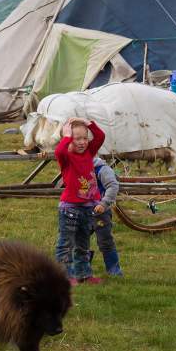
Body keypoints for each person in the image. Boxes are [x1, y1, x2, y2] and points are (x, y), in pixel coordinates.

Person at [54, 117, 105, 285]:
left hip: (87, 207)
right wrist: (67, 136)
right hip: (70, 208)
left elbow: (100, 136)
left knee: (83, 243)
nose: (82, 142)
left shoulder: (89, 152)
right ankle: (64, 276)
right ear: (69, 139)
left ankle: (83, 273)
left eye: (85, 138)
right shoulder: (67, 156)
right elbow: (59, 151)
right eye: (77, 139)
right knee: (66, 243)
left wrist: (88, 122)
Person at [91, 156, 123, 277]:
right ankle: (82, 267)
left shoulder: (102, 169)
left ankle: (113, 268)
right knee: (79, 240)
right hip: (82, 210)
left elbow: (113, 185)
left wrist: (104, 203)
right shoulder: (77, 167)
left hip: (100, 212)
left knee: (105, 240)